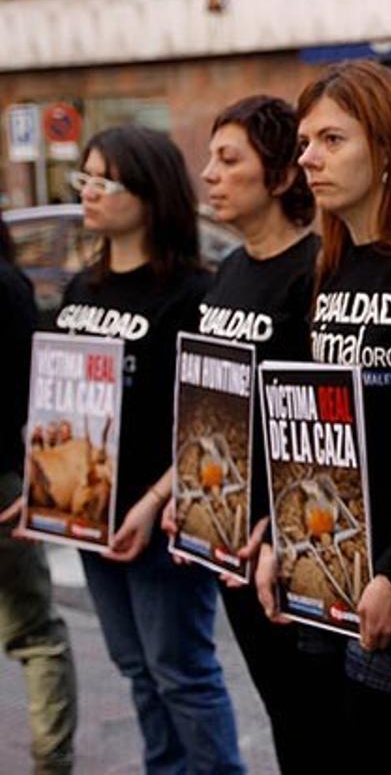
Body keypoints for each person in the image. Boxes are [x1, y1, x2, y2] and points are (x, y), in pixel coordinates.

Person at [253, 60, 391, 771]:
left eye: (331, 140)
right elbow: (315, 429)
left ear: (385, 148)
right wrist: (281, 533)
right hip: (327, 564)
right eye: (306, 142)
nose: (308, 158)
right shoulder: (331, 263)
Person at [57, 125, 243, 773]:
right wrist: (39, 496)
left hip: (164, 517)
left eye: (103, 180)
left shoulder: (193, 294)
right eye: (84, 177)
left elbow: (209, 422)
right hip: (91, 513)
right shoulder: (83, 290)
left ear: (149, 190)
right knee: (135, 667)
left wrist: (157, 497)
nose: (88, 192)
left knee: (180, 672)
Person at [161, 94, 332, 774]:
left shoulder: (316, 275)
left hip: (294, 547)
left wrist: (284, 524)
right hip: (226, 537)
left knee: (316, 723)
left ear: (283, 176)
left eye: (229, 160)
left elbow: (326, 428)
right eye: (209, 158)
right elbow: (210, 409)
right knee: (282, 713)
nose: (208, 174)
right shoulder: (226, 272)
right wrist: (179, 491)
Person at [0, 215, 78, 774]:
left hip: (5, 479)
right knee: (35, 631)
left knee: (34, 630)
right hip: (5, 473)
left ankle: (51, 761)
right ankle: (51, 764)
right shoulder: (10, 282)